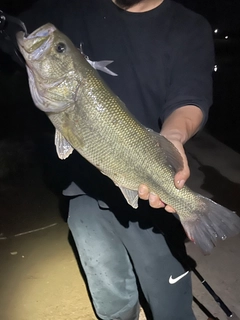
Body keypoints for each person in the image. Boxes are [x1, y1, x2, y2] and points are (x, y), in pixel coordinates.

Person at [1, 0, 214, 319]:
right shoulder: (71, 9)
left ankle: (193, 212)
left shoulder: (187, 26)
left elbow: (190, 97)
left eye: (60, 49)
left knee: (170, 306)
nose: (53, 44)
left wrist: (172, 140)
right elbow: (15, 30)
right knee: (112, 302)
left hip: (148, 199)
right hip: (80, 191)